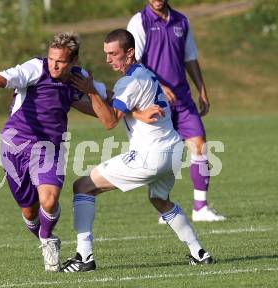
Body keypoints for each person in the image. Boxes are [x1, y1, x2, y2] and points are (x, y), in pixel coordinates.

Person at [0, 32, 160, 272]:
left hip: (49, 149)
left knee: (49, 201)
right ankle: (44, 237)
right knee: (29, 211)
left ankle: (47, 238)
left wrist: (138, 112)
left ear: (73, 63)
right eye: (52, 58)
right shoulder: (35, 68)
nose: (54, 64)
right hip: (15, 146)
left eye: (60, 61)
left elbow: (109, 100)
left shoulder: (79, 78)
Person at [60, 29, 213, 273]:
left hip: (149, 155)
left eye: (113, 54)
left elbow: (110, 121)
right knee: (159, 199)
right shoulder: (144, 74)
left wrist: (89, 90)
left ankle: (84, 257)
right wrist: (80, 101)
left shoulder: (128, 82)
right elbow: (113, 106)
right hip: (173, 150)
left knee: (82, 187)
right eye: (106, 54)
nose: (108, 59)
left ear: (129, 53)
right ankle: (199, 252)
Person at [127, 0, 225, 222]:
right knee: (162, 154)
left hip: (182, 99)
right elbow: (134, 62)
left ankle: (200, 208)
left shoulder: (181, 20)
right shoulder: (139, 22)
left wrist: (202, 88)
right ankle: (165, 207)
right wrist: (159, 85)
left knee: (199, 145)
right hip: (153, 100)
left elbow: (190, 58)